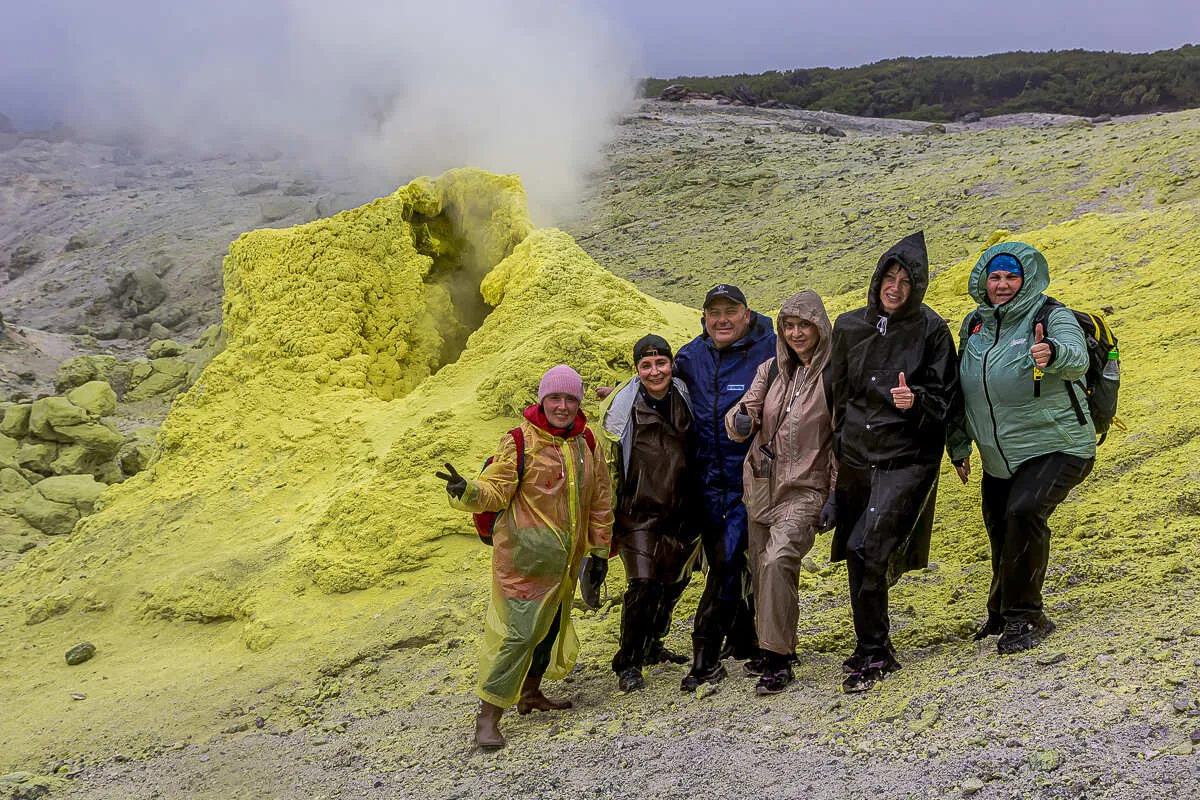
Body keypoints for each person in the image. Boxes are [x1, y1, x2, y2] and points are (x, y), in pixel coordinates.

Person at [436, 365, 613, 749]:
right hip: (523, 561)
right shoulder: (519, 441)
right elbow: (496, 490)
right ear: (542, 399)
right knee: (517, 636)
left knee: (547, 630)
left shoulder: (586, 441)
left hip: (565, 560)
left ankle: (530, 694)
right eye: (555, 398)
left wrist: (599, 550)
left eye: (570, 399)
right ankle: (488, 715)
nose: (563, 406)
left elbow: (599, 498)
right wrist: (466, 491)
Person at [826, 231, 960, 693]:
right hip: (858, 457)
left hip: (906, 458)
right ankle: (869, 645)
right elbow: (836, 393)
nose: (896, 286)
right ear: (878, 277)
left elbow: (946, 399)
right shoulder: (849, 327)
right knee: (854, 552)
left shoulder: (931, 330)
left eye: (906, 280)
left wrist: (915, 400)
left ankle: (877, 649)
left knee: (870, 546)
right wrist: (840, 446)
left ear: (917, 286)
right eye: (890, 275)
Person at [947, 243, 1096, 654]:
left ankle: (1027, 617)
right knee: (1000, 526)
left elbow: (1077, 358)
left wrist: (1053, 353)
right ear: (983, 280)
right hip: (1000, 457)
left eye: (1011, 277)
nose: (1002, 285)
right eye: (995, 277)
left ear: (1026, 279)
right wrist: (959, 445)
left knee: (1024, 512)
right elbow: (963, 390)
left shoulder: (1051, 315)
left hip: (1059, 444)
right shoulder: (973, 326)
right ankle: (1000, 611)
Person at [725, 290, 838, 694]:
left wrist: (835, 495)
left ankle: (777, 658)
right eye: (788, 326)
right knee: (761, 566)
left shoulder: (833, 374)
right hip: (760, 485)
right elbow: (745, 412)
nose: (795, 333)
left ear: (819, 327)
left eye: (803, 325)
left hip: (806, 488)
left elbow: (840, 441)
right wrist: (740, 419)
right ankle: (773, 643)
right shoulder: (771, 370)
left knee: (777, 560)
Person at [673, 283, 777, 691]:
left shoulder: (771, 350)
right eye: (713, 312)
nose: (722, 320)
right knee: (727, 560)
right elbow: (661, 387)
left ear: (747, 315)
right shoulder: (690, 357)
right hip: (704, 483)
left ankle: (704, 656)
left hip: (753, 478)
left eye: (730, 312)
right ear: (703, 318)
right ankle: (744, 639)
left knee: (730, 561)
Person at [598, 334, 699, 692]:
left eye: (661, 363)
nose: (655, 371)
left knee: (673, 583)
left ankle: (654, 643)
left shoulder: (688, 398)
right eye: (646, 365)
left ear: (672, 364)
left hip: (682, 510)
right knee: (642, 584)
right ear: (636, 369)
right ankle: (628, 661)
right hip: (636, 512)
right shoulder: (622, 410)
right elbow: (609, 468)